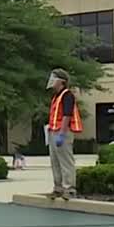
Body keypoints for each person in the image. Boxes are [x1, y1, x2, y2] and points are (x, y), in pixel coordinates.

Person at [46, 68, 83, 199]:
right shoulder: (56, 96)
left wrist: (61, 133)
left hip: (63, 132)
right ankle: (58, 188)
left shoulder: (67, 95)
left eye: (54, 78)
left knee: (65, 161)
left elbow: (67, 115)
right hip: (53, 131)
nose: (51, 81)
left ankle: (69, 188)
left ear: (61, 81)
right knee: (55, 161)